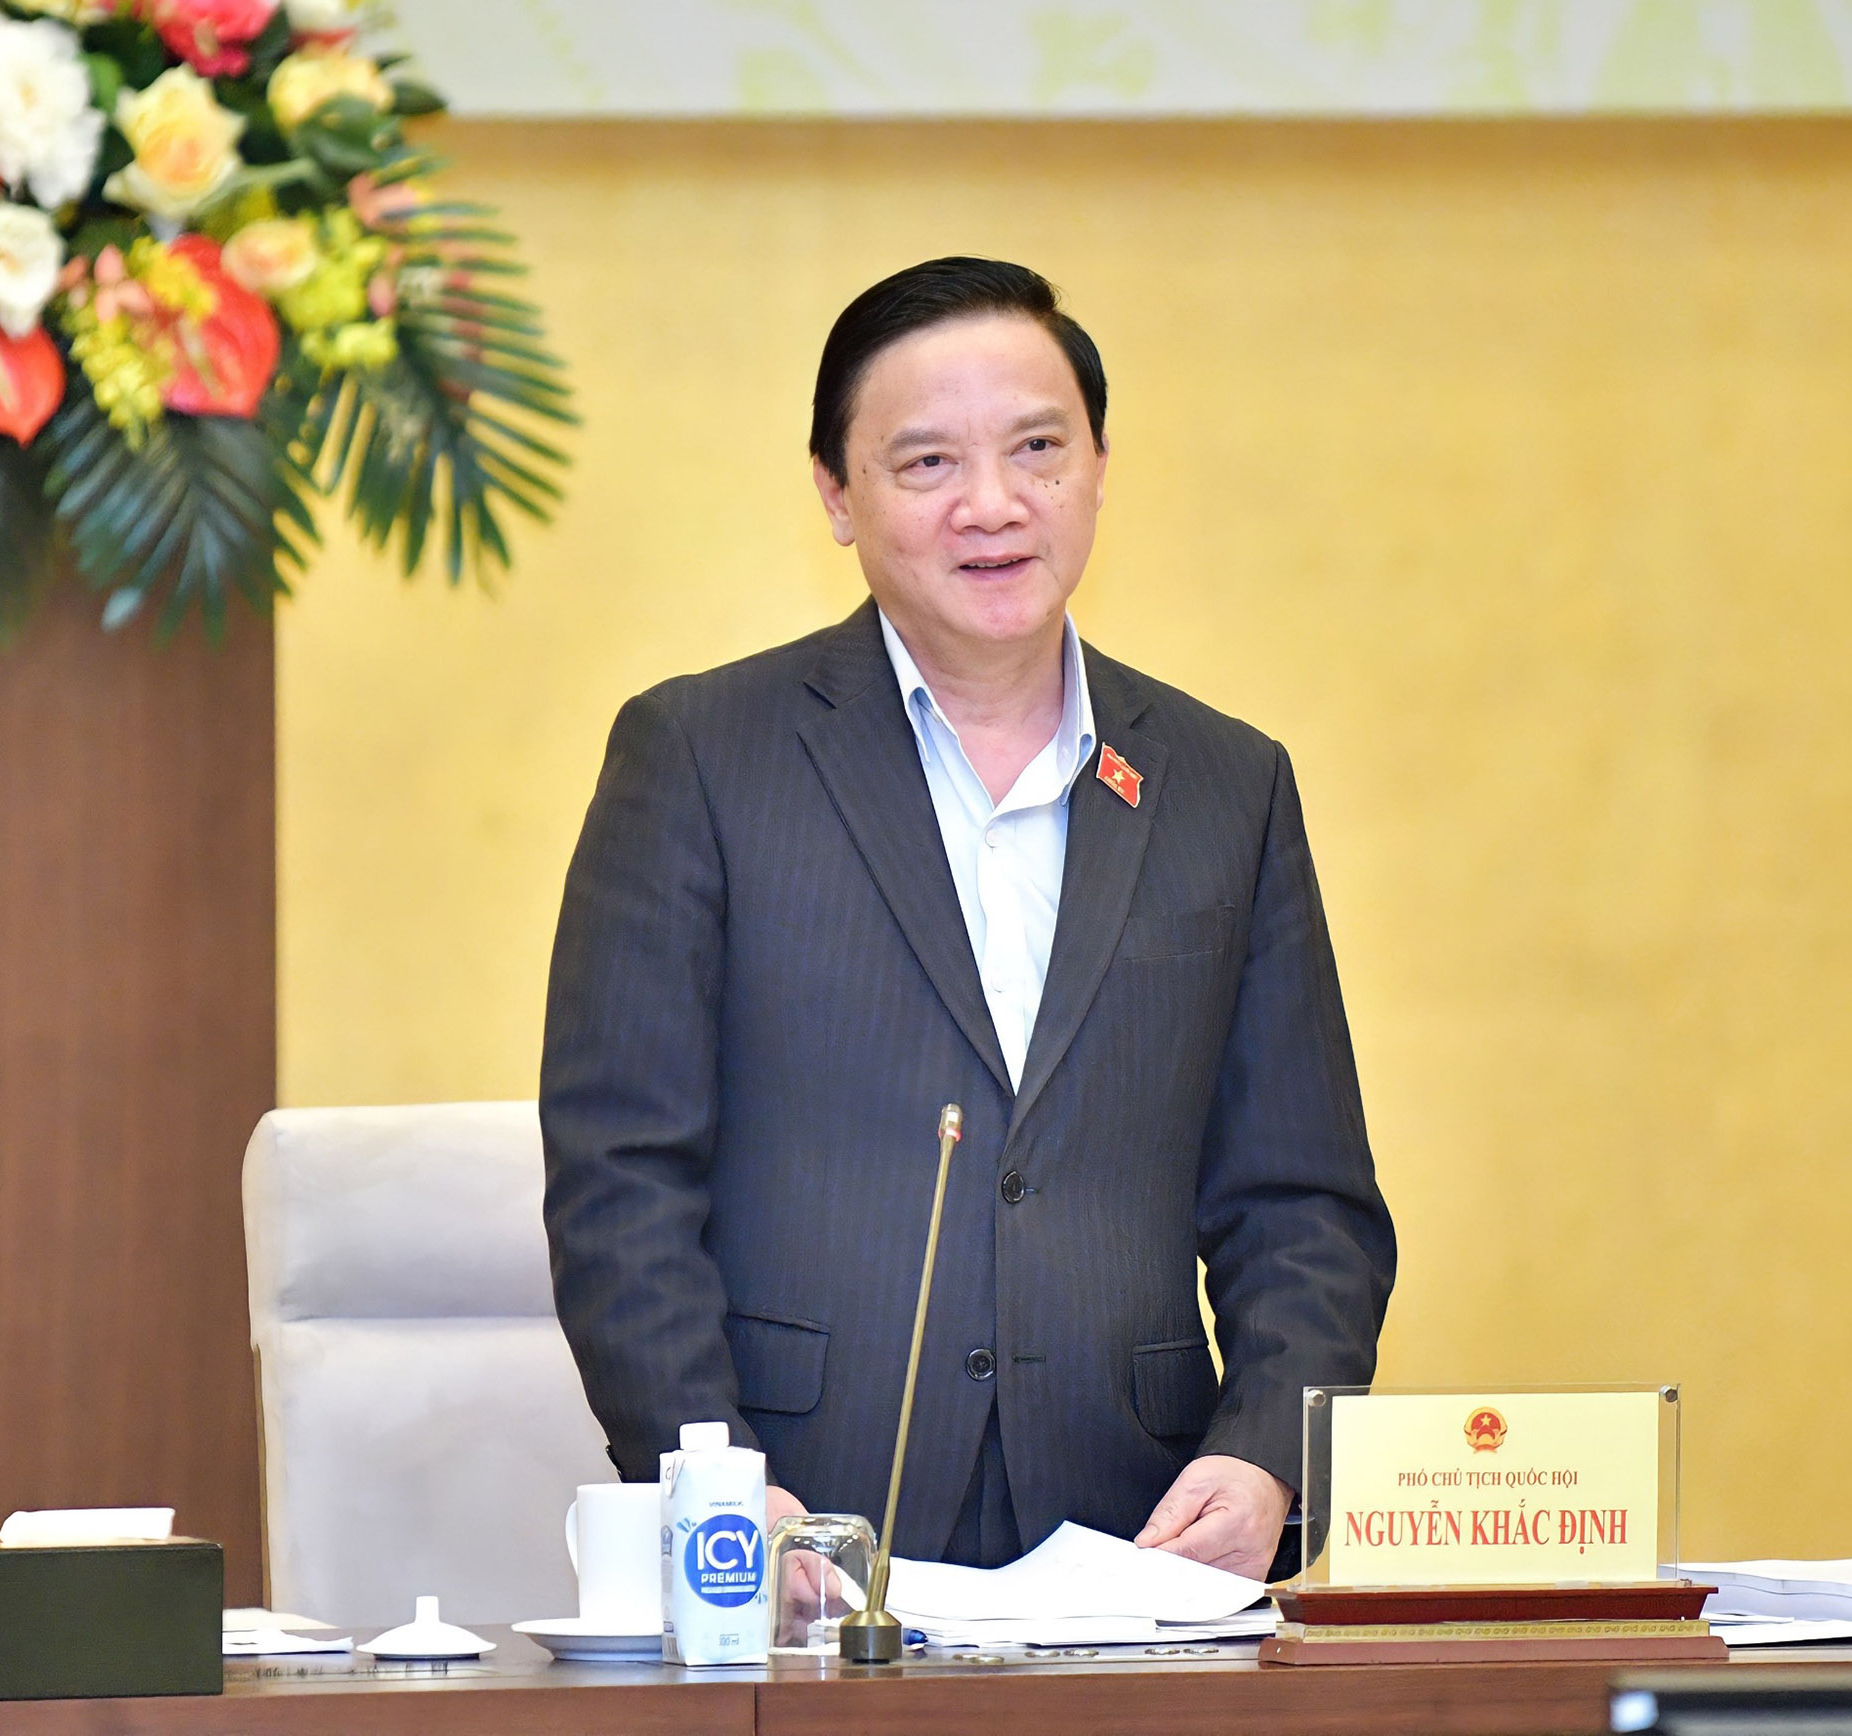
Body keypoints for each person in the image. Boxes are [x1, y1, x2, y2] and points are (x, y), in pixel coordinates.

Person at [541, 256, 1395, 1579]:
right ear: (837, 494)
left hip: (1140, 1538)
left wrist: (1270, 1452)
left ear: (1099, 466)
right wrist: (715, 1486)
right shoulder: (701, 757)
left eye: (1038, 448)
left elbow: (1304, 1202)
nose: (993, 504)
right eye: (928, 462)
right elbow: (621, 1180)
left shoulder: (1227, 784)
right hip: (802, 1530)